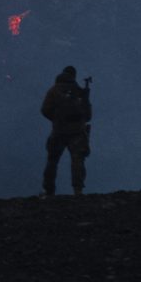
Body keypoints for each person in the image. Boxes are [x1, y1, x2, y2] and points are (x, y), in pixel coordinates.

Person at [41, 66, 93, 197]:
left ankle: (49, 190)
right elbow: (88, 115)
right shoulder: (79, 91)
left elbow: (45, 109)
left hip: (59, 131)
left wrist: (56, 119)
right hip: (77, 132)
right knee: (78, 161)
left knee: (52, 161)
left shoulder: (54, 90)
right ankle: (78, 190)